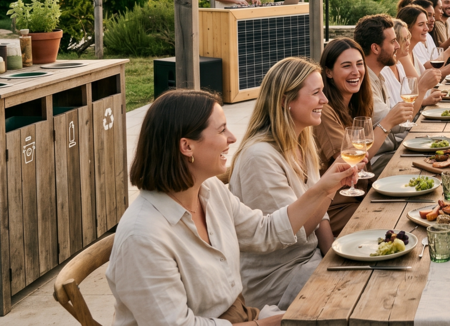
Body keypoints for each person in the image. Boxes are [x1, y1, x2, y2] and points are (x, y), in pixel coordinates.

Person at [107, 89, 359, 326]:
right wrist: (268, 323)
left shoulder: (209, 191)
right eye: (221, 130)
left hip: (243, 315)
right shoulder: (143, 236)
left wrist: (324, 189)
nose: (232, 138)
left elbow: (265, 231)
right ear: (187, 146)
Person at [230, 58, 337, 310]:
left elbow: (319, 216)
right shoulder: (259, 157)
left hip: (310, 259)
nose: (325, 100)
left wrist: (334, 253)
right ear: (285, 100)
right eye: (316, 93)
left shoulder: (301, 141)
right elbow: (291, 234)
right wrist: (330, 187)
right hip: (278, 278)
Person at [314, 38, 414, 234]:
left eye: (359, 64)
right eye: (346, 66)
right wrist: (386, 124)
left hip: (362, 193)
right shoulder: (325, 111)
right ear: (328, 72)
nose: (356, 71)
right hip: (339, 206)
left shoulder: (355, 103)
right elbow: (351, 161)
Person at [354, 14, 441, 131]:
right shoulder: (364, 82)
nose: (398, 46)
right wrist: (421, 89)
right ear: (375, 48)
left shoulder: (378, 76)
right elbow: (396, 126)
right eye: (393, 41)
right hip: (390, 148)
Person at [401, 4, 450, 77]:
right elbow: (419, 83)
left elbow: (424, 77)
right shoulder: (403, 54)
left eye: (426, 23)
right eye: (420, 24)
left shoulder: (411, 52)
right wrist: (447, 54)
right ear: (407, 28)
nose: (426, 28)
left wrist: (448, 69)